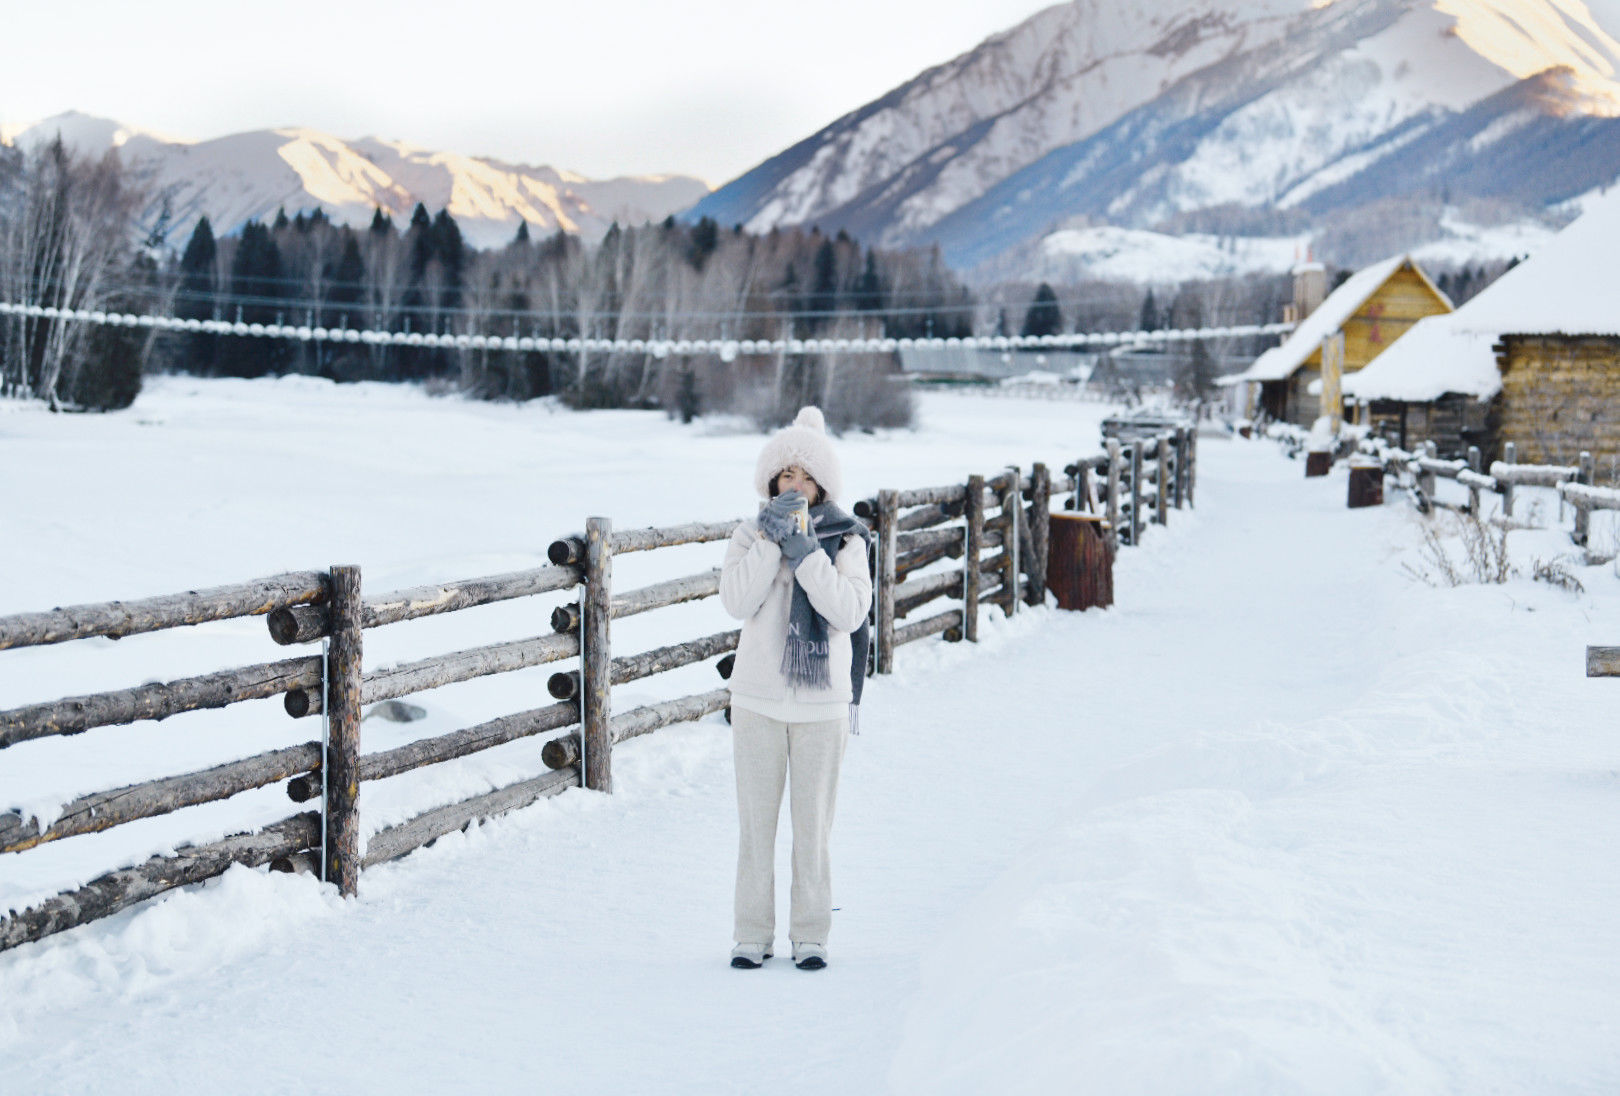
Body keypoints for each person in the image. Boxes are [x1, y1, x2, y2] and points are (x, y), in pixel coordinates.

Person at [719, 406, 872, 971]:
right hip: (757, 700)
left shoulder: (847, 540)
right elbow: (737, 600)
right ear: (771, 480)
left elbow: (849, 611)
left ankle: (811, 936)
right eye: (788, 475)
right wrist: (772, 543)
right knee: (756, 827)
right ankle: (750, 935)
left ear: (824, 483)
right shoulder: (748, 533)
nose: (797, 486)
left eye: (807, 477)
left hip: (822, 706)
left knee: (813, 831)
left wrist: (808, 554)